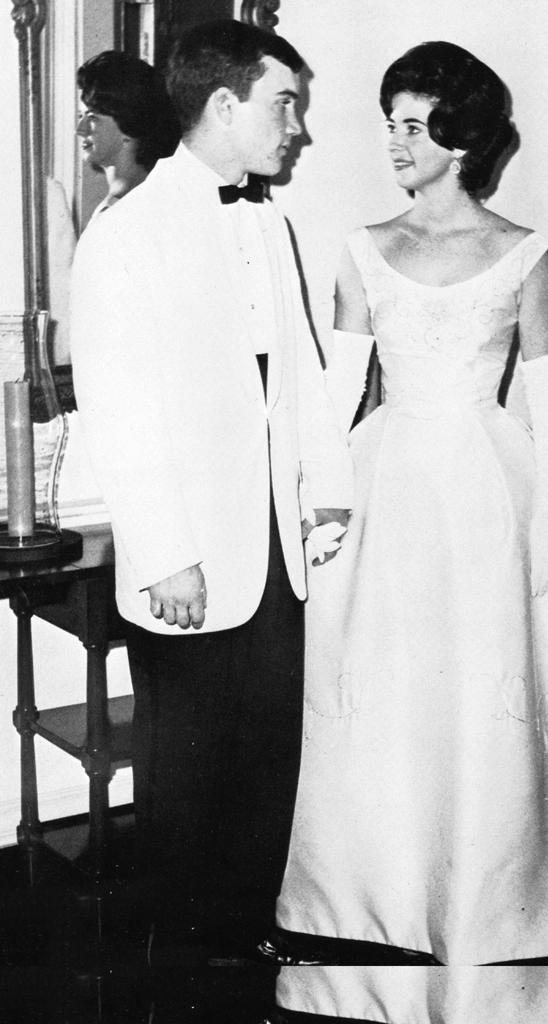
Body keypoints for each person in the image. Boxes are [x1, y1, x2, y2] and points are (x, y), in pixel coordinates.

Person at [273, 40, 548, 1022]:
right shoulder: (365, 248)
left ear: (459, 138)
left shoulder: (528, 255)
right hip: (386, 494)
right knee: (385, 712)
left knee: (476, 716)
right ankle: (376, 928)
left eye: (415, 125)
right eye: (391, 122)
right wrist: (317, 507)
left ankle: (483, 925)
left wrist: (547, 547)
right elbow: (333, 396)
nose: (396, 143)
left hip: (489, 501)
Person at [70, 19, 353, 962]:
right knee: (186, 777)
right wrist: (167, 556)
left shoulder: (265, 221)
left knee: (268, 763)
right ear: (224, 104)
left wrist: (326, 492)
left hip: (276, 550)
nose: (296, 128)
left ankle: (245, 944)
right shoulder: (128, 232)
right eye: (283, 104)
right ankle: (183, 965)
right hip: (187, 561)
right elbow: (121, 409)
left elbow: (300, 376)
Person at [76, 50, 181, 220]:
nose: (80, 129)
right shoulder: (144, 194)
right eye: (80, 116)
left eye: (92, 117)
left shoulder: (127, 209)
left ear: (127, 125)